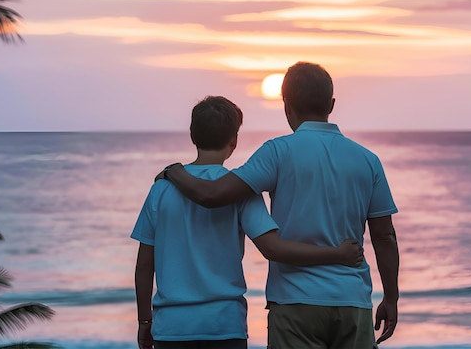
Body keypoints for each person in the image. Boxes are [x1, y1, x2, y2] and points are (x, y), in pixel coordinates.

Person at [160, 62, 400, 348]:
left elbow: (212, 195)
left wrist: (173, 172)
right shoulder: (367, 160)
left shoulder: (277, 152)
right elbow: (384, 236)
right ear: (331, 105)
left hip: (293, 303)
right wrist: (390, 298)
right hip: (352, 301)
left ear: (286, 105)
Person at [132, 95, 365, 349]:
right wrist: (336, 253)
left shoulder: (161, 190)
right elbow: (273, 249)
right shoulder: (240, 191)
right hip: (225, 325)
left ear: (192, 136)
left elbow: (145, 265)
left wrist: (145, 321)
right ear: (234, 141)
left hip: (172, 328)